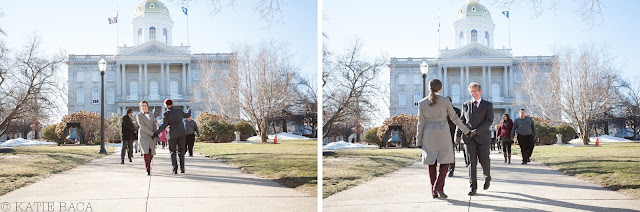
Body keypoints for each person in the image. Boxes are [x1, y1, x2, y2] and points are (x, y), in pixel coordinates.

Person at [417, 79, 473, 199]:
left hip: (429, 133)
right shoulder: (445, 100)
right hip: (443, 132)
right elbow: (455, 118)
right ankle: (438, 187)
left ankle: (434, 189)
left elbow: (420, 123)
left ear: (429, 88)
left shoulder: (422, 103)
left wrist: (418, 140)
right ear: (440, 88)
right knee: (446, 161)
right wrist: (466, 131)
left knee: (431, 162)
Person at [455, 82, 494, 196]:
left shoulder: (488, 105)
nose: (473, 93)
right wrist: (457, 136)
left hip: (483, 138)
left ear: (480, 91)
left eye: (475, 91)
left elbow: (489, 121)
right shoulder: (465, 105)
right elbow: (461, 121)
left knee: (484, 159)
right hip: (468, 139)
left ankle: (487, 176)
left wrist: (476, 131)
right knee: (471, 163)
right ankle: (473, 187)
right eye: (471, 91)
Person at [152, 99, 191, 174]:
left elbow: (164, 125)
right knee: (181, 150)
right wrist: (189, 110)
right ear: (172, 104)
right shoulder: (179, 111)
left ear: (165, 105)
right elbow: (187, 115)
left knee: (173, 152)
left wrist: (156, 133)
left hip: (172, 134)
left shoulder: (166, 114)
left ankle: (174, 169)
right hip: (181, 133)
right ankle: (182, 167)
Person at [136, 101, 157, 176]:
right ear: (140, 107)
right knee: (146, 152)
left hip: (152, 135)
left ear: (147, 106)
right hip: (144, 135)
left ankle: (148, 164)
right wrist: (152, 133)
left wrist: (155, 132)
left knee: (151, 153)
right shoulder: (139, 115)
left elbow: (154, 124)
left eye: (145, 105)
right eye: (142, 105)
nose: (144, 107)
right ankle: (147, 169)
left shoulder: (151, 114)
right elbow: (142, 126)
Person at [446, 96, 465, 177]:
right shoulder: (441, 111)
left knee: (451, 153)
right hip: (442, 135)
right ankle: (446, 168)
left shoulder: (457, 111)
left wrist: (459, 136)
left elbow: (460, 123)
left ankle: (451, 169)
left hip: (452, 134)